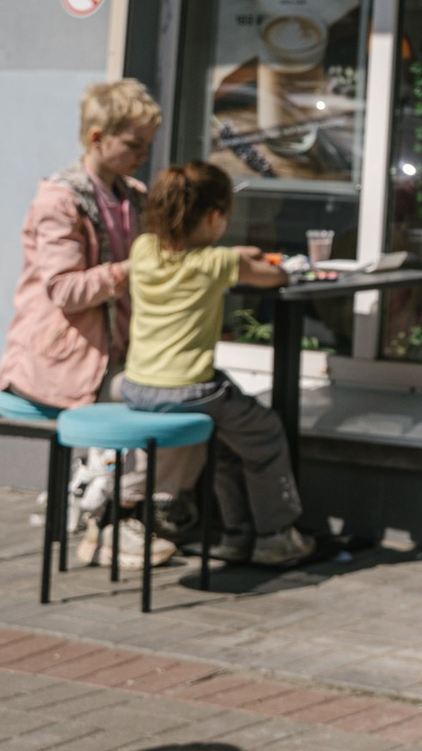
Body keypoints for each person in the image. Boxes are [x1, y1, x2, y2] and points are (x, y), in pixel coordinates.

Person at [0, 77, 175, 568]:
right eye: (133, 144)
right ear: (98, 138)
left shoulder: (133, 196)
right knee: (155, 400)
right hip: (61, 361)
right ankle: (112, 518)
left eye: (147, 145)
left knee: (181, 393)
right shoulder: (59, 200)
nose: (143, 155)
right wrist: (128, 271)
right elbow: (65, 291)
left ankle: (120, 509)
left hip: (116, 353)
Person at [120, 162, 316, 567]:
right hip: (190, 390)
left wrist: (232, 255)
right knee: (265, 432)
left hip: (137, 386)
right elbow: (273, 278)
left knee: (227, 442)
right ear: (214, 217)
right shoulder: (216, 264)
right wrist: (251, 261)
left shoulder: (143, 249)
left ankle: (236, 533)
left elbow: (205, 258)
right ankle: (274, 535)